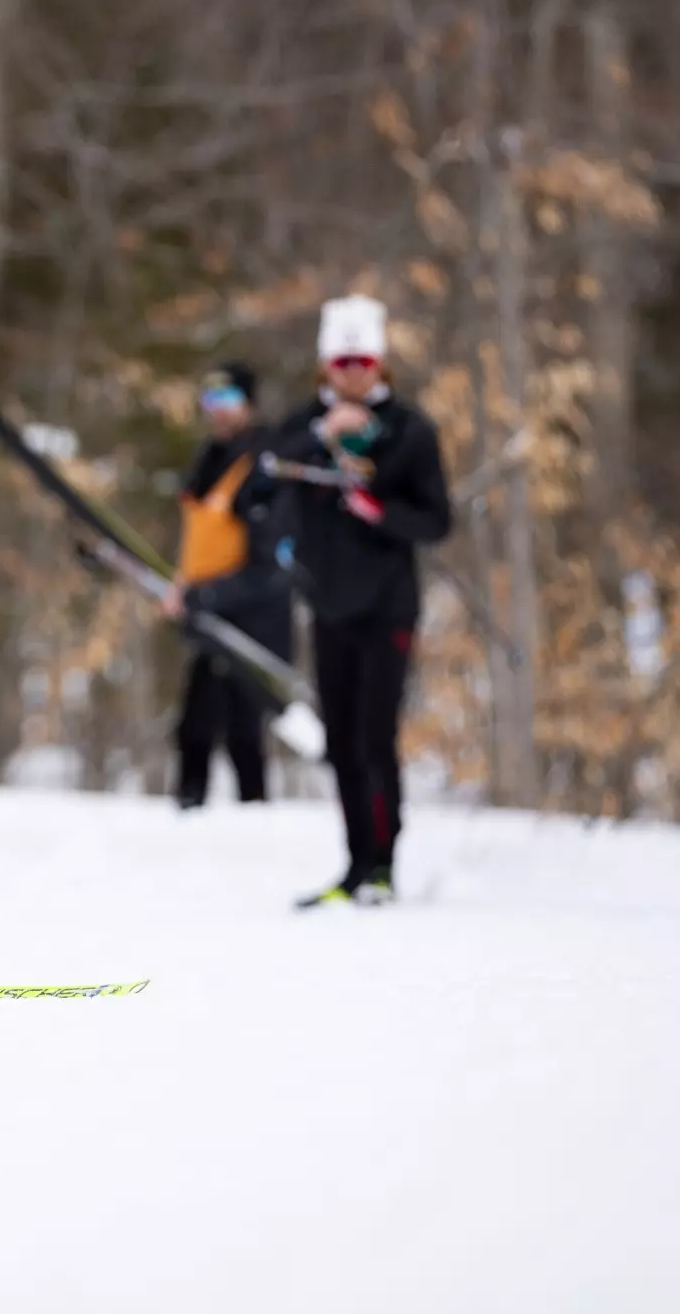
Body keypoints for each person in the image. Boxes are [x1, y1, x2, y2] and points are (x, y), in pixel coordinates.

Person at [267, 296, 451, 907]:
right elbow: (265, 474)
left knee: (376, 735)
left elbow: (436, 520)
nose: (352, 372)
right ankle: (354, 865)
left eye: (363, 360)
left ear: (380, 364)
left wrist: (381, 513)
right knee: (340, 739)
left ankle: (382, 865)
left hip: (388, 606)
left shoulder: (410, 429)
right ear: (325, 365)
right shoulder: (301, 429)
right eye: (341, 360)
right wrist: (324, 436)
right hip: (329, 606)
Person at [162, 362, 293, 808]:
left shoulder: (263, 464)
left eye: (228, 401)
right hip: (209, 615)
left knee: (243, 729)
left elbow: (271, 564)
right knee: (193, 728)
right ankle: (188, 813)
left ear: (249, 404)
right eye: (209, 401)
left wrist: (212, 594)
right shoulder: (210, 460)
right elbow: (202, 541)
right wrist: (185, 590)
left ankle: (252, 822)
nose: (217, 412)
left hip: (252, 620)